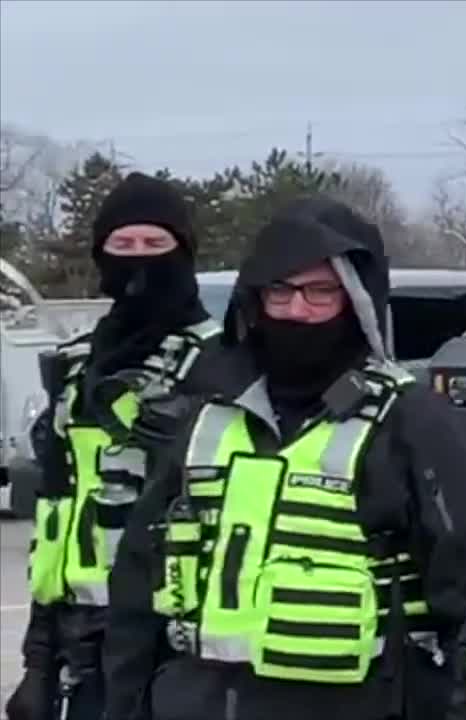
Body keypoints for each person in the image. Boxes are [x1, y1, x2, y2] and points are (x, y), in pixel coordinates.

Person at [101, 196, 466, 720]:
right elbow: (138, 584)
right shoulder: (204, 416)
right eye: (282, 292)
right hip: (195, 700)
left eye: (321, 293)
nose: (298, 310)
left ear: (357, 300)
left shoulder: (413, 422)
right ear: (256, 300)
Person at [6, 173, 227, 720]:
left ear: (185, 253)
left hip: (182, 646)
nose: (139, 261)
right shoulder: (78, 369)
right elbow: (56, 525)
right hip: (83, 646)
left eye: (156, 245)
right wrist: (37, 662)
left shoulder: (227, 362)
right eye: (122, 245)